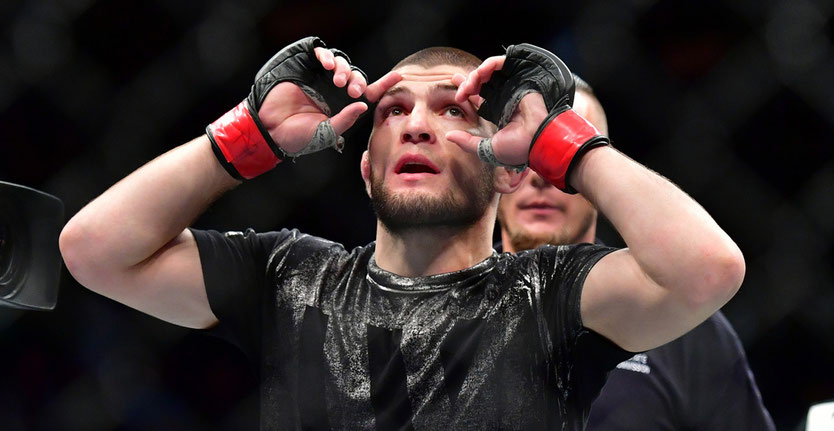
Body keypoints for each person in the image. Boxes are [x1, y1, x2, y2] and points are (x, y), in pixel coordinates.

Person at [59, 37, 746, 430]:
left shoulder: (549, 294)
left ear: (507, 168)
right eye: (392, 110)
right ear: (368, 168)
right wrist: (247, 134)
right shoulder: (292, 278)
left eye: (452, 109)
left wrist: (563, 142)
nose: (416, 124)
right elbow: (94, 249)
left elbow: (709, 268)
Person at [497, 78, 776, 430]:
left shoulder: (683, 318)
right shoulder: (443, 300)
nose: (539, 176)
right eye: (523, 155)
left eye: (560, 153)